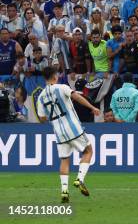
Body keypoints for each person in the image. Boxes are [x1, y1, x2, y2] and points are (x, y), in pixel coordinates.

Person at [36, 66, 100, 202]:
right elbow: (76, 97)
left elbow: (41, 119)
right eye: (57, 75)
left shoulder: (40, 97)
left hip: (59, 133)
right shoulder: (62, 87)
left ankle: (64, 191)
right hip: (73, 128)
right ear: (54, 77)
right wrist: (92, 107)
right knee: (88, 151)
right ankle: (79, 179)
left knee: (64, 160)